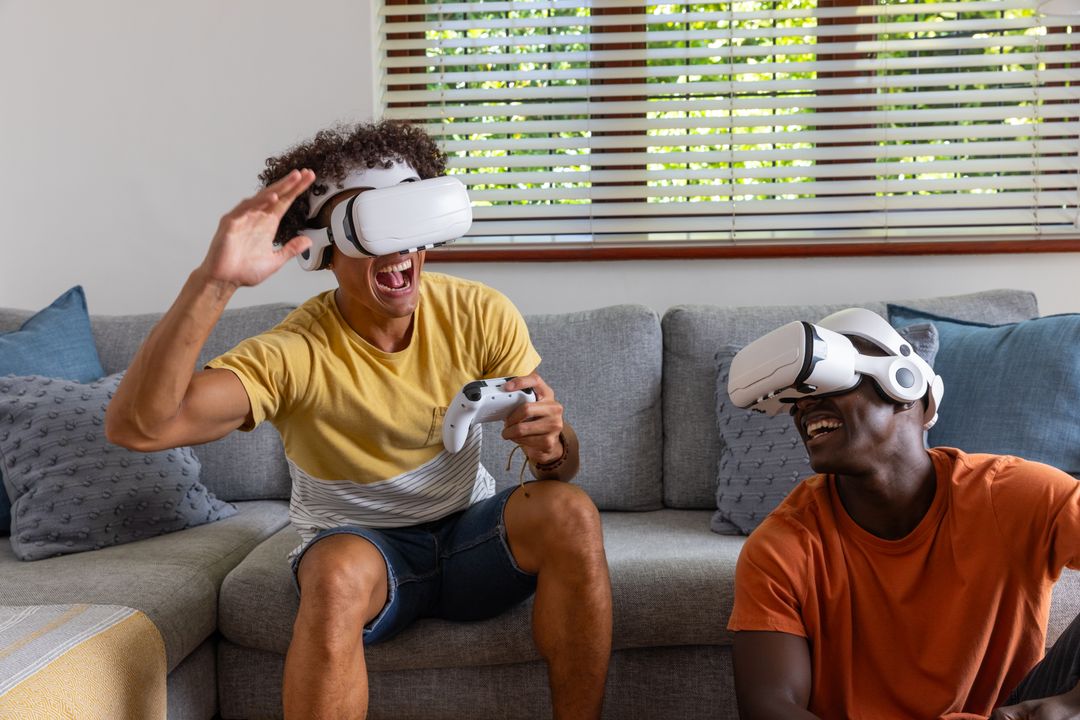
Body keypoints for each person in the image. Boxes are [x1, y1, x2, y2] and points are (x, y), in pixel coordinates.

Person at [105, 120, 612, 720]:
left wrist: (552, 447)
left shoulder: (480, 312)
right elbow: (142, 428)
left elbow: (561, 469)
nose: (398, 247)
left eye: (408, 221)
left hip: (470, 536)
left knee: (571, 511)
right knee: (338, 573)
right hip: (367, 554)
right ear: (322, 250)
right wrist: (213, 283)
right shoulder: (295, 352)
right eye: (370, 228)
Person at [726, 309, 1080, 720]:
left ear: (905, 385)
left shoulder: (1013, 495)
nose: (804, 407)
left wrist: (1072, 703)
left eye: (828, 383)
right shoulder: (782, 546)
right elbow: (769, 705)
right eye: (798, 398)